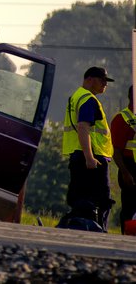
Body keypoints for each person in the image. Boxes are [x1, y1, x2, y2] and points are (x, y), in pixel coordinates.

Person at [60, 66, 115, 231]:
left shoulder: (76, 97)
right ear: (89, 79)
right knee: (102, 200)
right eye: (102, 80)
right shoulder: (88, 100)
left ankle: (77, 229)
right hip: (92, 158)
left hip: (79, 155)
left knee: (80, 199)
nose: (105, 84)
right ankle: (99, 232)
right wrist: (90, 157)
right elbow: (83, 127)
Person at [111, 85, 136, 231]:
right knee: (129, 207)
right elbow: (117, 151)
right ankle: (127, 236)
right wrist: (125, 173)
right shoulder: (122, 119)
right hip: (130, 169)